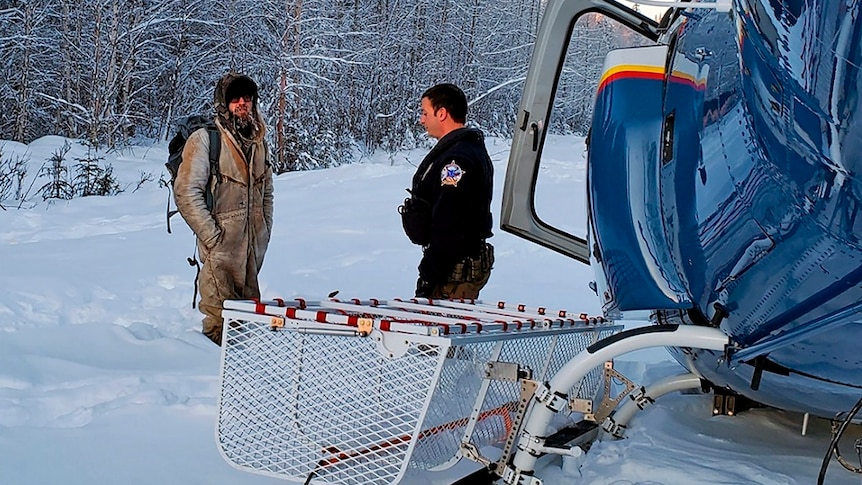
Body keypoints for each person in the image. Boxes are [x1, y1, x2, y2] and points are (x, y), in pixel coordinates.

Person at [174, 72, 273, 345]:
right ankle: (209, 380)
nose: (242, 103)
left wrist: (264, 227)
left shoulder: (258, 141)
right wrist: (212, 237)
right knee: (218, 325)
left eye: (247, 97)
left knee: (249, 321)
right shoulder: (206, 140)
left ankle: (244, 381)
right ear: (224, 102)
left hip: (251, 249)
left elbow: (267, 190)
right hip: (220, 250)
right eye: (235, 98)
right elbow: (185, 192)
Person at [399, 83, 494, 300]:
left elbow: (450, 221)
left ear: (441, 113)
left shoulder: (456, 161)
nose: (421, 120)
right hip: (451, 267)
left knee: (438, 331)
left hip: (451, 274)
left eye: (425, 113)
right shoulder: (466, 149)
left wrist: (429, 274)